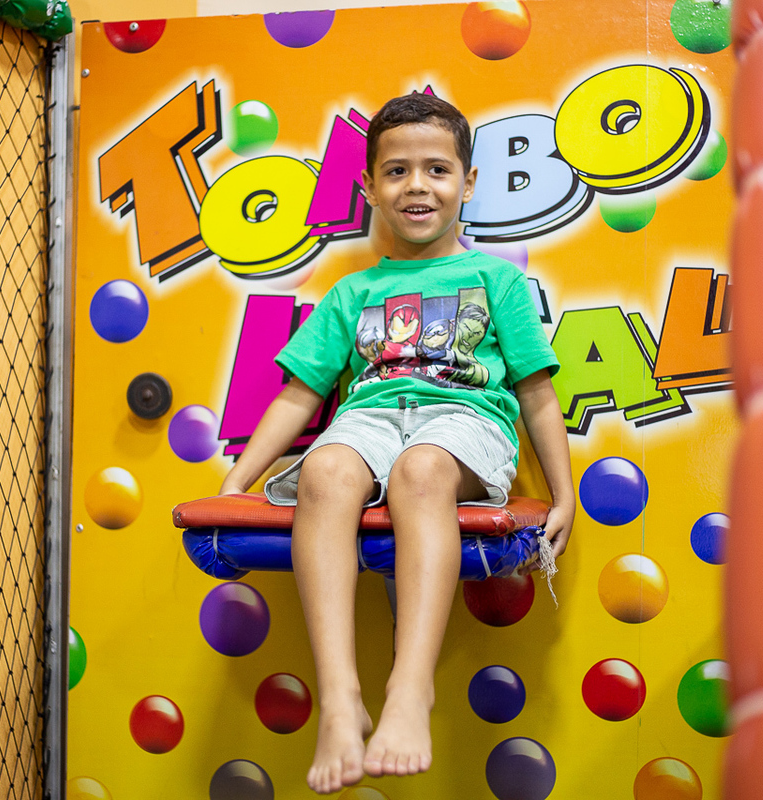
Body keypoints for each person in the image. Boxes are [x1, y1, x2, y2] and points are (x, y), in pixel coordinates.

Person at [218, 93, 574, 795]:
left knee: (420, 470)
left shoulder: (495, 279)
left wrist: (566, 494)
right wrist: (236, 482)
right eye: (398, 171)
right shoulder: (353, 293)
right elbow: (298, 396)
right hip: (371, 420)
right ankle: (341, 698)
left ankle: (409, 690)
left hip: (463, 421)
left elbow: (535, 391)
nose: (418, 186)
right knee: (324, 471)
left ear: (468, 183)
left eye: (438, 170)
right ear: (369, 188)